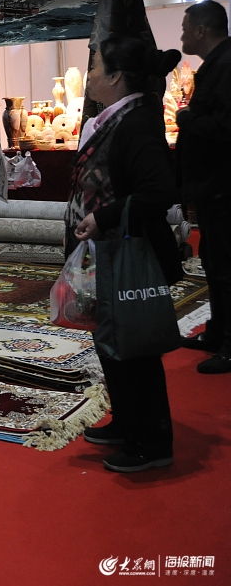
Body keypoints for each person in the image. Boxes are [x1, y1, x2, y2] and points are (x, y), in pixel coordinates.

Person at [66, 34, 183, 473]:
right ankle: (128, 423)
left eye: (95, 67)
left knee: (134, 348)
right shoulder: (116, 119)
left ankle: (151, 443)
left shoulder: (136, 123)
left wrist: (103, 217)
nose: (89, 76)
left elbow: (159, 191)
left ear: (116, 76)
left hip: (128, 255)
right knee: (112, 342)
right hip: (108, 254)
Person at [176, 0, 231, 373]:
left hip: (224, 185)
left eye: (185, 30)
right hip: (213, 186)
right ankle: (217, 332)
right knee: (213, 262)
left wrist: (187, 119)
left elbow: (226, 127)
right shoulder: (217, 64)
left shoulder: (226, 66)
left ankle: (230, 344)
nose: (181, 37)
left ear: (201, 30)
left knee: (226, 266)